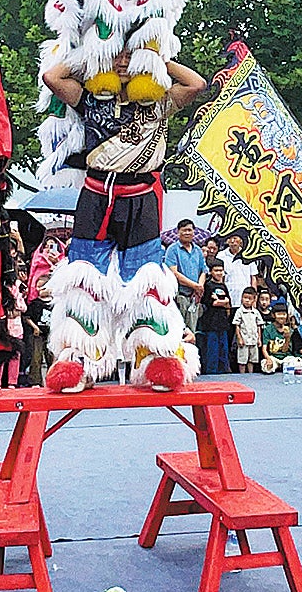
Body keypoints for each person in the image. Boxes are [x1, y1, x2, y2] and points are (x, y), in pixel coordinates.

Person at [40, 51, 209, 392]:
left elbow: (197, 84)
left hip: (141, 197)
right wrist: (95, 53)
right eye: (118, 56)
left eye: (130, 56)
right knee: (85, 278)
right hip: (96, 194)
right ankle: (79, 358)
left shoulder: (159, 100)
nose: (123, 62)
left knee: (146, 279)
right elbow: (52, 78)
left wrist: (156, 59)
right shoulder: (88, 97)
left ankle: (153, 355)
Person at [164, 220, 205, 335]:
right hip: (179, 296)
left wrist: (199, 287)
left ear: (194, 232)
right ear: (178, 232)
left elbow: (203, 271)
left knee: (192, 332)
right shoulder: (172, 249)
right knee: (178, 331)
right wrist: (195, 285)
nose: (187, 233)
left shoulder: (198, 250)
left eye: (189, 230)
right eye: (184, 230)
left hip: (194, 298)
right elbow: (173, 273)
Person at [196, 264, 233, 375]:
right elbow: (212, 303)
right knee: (212, 350)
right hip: (210, 322)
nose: (219, 273)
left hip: (223, 322)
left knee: (223, 349)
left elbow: (228, 303)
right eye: (216, 270)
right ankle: (211, 372)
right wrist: (222, 302)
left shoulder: (223, 286)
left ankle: (223, 371)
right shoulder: (208, 286)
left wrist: (221, 302)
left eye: (221, 270)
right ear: (211, 272)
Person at [231, 285, 263, 376]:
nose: (247, 300)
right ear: (241, 298)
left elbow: (258, 326)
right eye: (245, 298)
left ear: (254, 300)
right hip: (244, 340)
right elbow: (237, 325)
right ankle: (242, 375)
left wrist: (259, 339)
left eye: (249, 298)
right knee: (242, 359)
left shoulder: (256, 312)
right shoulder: (239, 311)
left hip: (253, 339)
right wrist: (239, 338)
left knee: (252, 359)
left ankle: (250, 375)